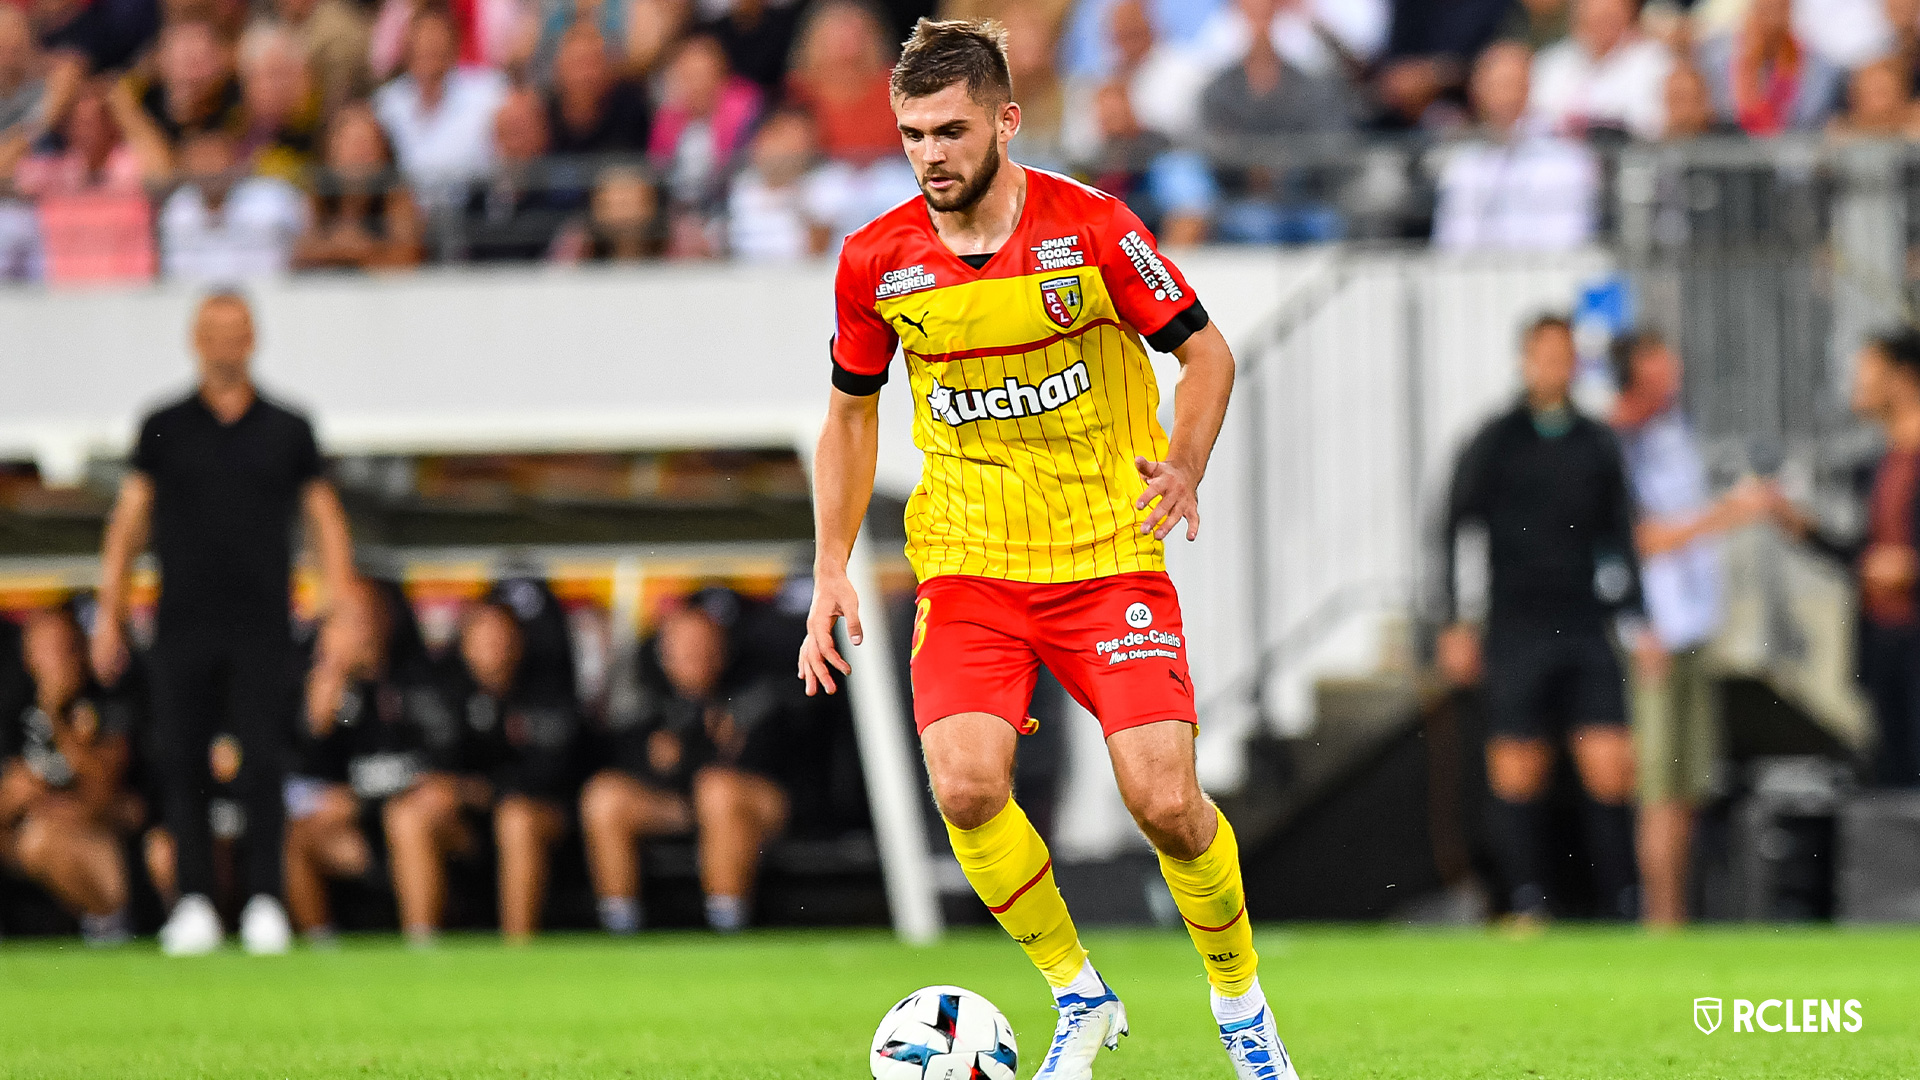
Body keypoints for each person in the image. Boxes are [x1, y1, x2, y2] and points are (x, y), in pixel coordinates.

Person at [800, 20, 1287, 1080]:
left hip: (1108, 555)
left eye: (951, 130)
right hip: (973, 562)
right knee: (966, 789)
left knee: (1164, 799)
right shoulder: (877, 261)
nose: (930, 153)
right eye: (911, 134)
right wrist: (832, 563)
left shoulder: (1095, 230)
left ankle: (1243, 1009)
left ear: (1008, 123)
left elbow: (1207, 355)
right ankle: (1079, 994)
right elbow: (848, 416)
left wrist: (1186, 462)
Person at [92, 292, 356, 956]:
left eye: (235, 331)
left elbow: (325, 518)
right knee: (182, 765)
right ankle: (194, 903)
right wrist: (110, 614)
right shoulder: (163, 423)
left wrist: (339, 608)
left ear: (253, 339)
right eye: (213, 331)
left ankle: (267, 900)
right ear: (195, 340)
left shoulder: (288, 426)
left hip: (263, 625)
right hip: (182, 624)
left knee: (265, 763)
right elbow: (128, 523)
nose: (224, 343)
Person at [1436, 314, 1643, 928]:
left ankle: (1623, 905)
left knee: (1610, 765)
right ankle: (1526, 900)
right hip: (1517, 625)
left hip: (1584, 622)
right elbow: (1449, 530)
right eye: (1545, 354)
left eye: (1566, 355)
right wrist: (1451, 622)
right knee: (1518, 767)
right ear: (1525, 360)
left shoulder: (1596, 442)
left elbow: (1623, 536)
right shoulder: (1494, 440)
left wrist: (1637, 614)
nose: (1556, 366)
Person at [1609, 330, 1768, 927]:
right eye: (1659, 365)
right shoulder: (1618, 442)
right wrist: (1728, 514)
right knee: (1658, 787)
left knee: (1691, 784)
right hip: (1653, 633)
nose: (1674, 372)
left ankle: (1680, 915)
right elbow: (1640, 540)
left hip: (1694, 626)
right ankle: (1660, 919)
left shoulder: (1675, 433)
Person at [582, 589, 801, 933]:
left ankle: (726, 925)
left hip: (757, 804)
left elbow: (774, 752)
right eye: (683, 648)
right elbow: (631, 755)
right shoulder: (648, 690)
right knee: (604, 796)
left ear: (722, 648)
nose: (695, 656)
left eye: (704, 646)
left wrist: (701, 749)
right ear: (664, 652)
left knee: (718, 790)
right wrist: (667, 754)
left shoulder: (753, 684)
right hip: (683, 804)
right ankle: (619, 928)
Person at [383, 590, 581, 943]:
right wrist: (458, 792)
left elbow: (548, 776)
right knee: (407, 814)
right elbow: (433, 769)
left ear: (519, 641)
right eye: (482, 635)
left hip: (544, 825)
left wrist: (471, 790)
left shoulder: (547, 691)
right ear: (465, 643)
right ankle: (421, 948)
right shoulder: (444, 692)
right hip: (471, 829)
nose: (493, 644)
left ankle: (518, 951)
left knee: (516, 818)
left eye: (501, 635)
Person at [1767, 330, 1920, 787]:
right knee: (1893, 788)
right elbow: (1869, 557)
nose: (1856, 383)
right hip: (1885, 646)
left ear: (1903, 377)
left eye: (1867, 371)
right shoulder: (1879, 463)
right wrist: (1806, 531)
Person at [284, 577, 451, 942]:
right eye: (340, 619)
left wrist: (358, 801)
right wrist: (317, 717)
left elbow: (434, 773)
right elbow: (306, 780)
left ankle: (422, 949)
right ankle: (321, 949)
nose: (353, 629)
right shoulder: (337, 694)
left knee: (405, 819)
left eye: (360, 615)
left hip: (435, 823)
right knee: (295, 832)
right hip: (368, 831)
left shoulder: (418, 679)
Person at [0, 605, 143, 946]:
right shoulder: (11, 709)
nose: (57, 658)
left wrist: (58, 718)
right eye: (45, 648)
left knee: (43, 837)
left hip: (98, 844)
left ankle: (109, 927)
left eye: (64, 647)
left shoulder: (103, 702)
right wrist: (12, 795)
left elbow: (106, 796)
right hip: (27, 838)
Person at [1432, 41, 1599, 252]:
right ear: (1477, 92)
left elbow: (1568, 242)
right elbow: (1451, 244)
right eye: (1495, 86)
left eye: (1512, 84)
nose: (1505, 97)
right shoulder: (1462, 164)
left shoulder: (1567, 159)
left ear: (1531, 86)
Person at [373, 5, 510, 204]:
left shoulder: (490, 93)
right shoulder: (386, 104)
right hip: (407, 218)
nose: (430, 46)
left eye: (437, 41)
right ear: (407, 48)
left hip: (473, 216)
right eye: (423, 40)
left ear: (454, 46)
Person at [158, 128, 309, 282]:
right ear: (185, 165)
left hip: (276, 297)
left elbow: (309, 244)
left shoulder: (272, 198)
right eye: (199, 158)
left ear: (235, 160)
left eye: (215, 156)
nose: (209, 166)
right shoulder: (176, 208)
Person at [295, 102, 426, 270]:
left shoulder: (397, 197)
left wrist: (359, 250)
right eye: (351, 144)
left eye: (367, 143)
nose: (359, 154)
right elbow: (299, 254)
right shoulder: (318, 195)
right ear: (329, 150)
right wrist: (343, 246)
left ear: (383, 151)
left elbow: (407, 258)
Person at [1527, 0, 1673, 142]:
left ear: (1629, 18)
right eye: (1591, 18)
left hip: (1630, 157)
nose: (1601, 26)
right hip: (1558, 158)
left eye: (1609, 18)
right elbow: (1536, 119)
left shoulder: (1655, 62)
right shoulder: (1551, 63)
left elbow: (1652, 124)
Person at [1697, 0, 1844, 137]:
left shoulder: (1817, 66)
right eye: (1765, 9)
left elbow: (1810, 118)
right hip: (1731, 149)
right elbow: (1719, 113)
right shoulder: (1717, 57)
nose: (1771, 19)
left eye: (1778, 9)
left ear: (1789, 11)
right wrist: (1749, 65)